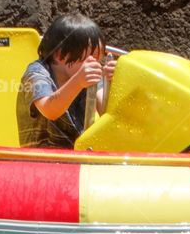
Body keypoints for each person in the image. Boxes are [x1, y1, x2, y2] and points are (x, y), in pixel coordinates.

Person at [16, 14, 117, 148]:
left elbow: (107, 115)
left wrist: (112, 82)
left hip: (77, 153)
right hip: (40, 156)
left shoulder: (87, 74)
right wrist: (78, 82)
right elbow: (50, 110)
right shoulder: (36, 73)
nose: (95, 64)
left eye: (99, 59)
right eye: (89, 58)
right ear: (60, 55)